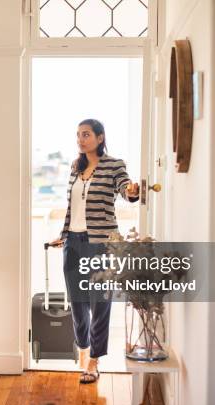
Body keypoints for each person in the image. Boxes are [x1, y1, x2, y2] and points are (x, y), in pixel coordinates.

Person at [49, 118, 139, 384]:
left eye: (86, 134)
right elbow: (73, 207)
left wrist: (132, 191)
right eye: (78, 134)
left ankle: (94, 361)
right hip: (73, 242)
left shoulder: (114, 165)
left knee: (99, 302)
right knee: (77, 302)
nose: (80, 139)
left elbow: (126, 189)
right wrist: (64, 235)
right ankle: (84, 349)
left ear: (100, 138)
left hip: (100, 243)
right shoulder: (76, 167)